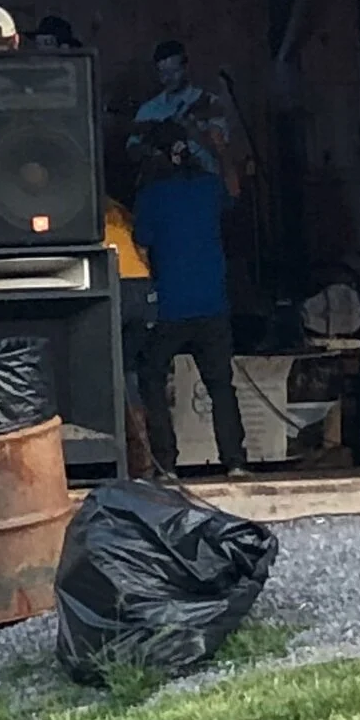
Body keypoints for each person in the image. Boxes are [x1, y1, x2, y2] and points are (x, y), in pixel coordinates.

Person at [129, 127, 251, 479]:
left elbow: (142, 244)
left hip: (169, 306)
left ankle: (166, 463)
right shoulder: (207, 188)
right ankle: (235, 461)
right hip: (212, 303)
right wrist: (222, 149)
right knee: (220, 385)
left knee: (151, 377)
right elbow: (235, 190)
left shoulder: (151, 197)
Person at [127, 39, 233, 185]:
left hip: (203, 185)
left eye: (173, 72)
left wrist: (192, 130)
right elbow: (132, 150)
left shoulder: (209, 102)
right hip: (162, 187)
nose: (168, 78)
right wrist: (152, 151)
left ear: (186, 67)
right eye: (162, 73)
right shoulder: (148, 110)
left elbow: (221, 151)